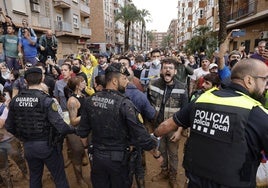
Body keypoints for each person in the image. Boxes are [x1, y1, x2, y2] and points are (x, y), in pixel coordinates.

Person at [153, 58, 268, 188]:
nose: (266, 85)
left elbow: (167, 125)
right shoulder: (258, 114)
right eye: (265, 79)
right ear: (249, 80)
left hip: (195, 180)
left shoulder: (202, 99)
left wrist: (153, 136)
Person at [76, 62, 163, 188]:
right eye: (124, 78)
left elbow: (83, 133)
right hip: (118, 160)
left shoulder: (91, 100)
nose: (127, 82)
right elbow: (141, 135)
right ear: (115, 81)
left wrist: (87, 150)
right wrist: (156, 154)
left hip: (97, 157)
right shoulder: (125, 104)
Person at [5, 67, 76, 188]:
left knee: (35, 177)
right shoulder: (46, 100)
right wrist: (75, 130)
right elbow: (60, 126)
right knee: (59, 178)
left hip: (28, 146)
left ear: (26, 81)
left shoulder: (15, 101)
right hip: (48, 146)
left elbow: (9, 126)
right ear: (42, 79)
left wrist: (22, 137)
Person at [148, 57, 188, 188]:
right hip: (157, 127)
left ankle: (173, 176)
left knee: (173, 154)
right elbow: (147, 106)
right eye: (165, 68)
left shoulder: (182, 87)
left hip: (173, 128)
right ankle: (164, 171)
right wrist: (150, 128)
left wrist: (179, 131)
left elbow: (185, 112)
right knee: (161, 151)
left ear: (175, 72)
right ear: (161, 70)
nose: (167, 70)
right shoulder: (152, 84)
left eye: (170, 68)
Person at [0, 90, 28, 188]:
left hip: (9, 139)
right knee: (3, 168)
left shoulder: (4, 108)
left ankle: (26, 174)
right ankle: (8, 185)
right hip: (6, 140)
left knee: (19, 159)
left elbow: (1, 124)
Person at [65, 76, 88, 187]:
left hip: (84, 129)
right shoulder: (72, 101)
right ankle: (79, 179)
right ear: (77, 85)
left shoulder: (83, 95)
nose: (85, 83)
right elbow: (73, 121)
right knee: (77, 155)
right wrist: (87, 114)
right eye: (83, 82)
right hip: (75, 131)